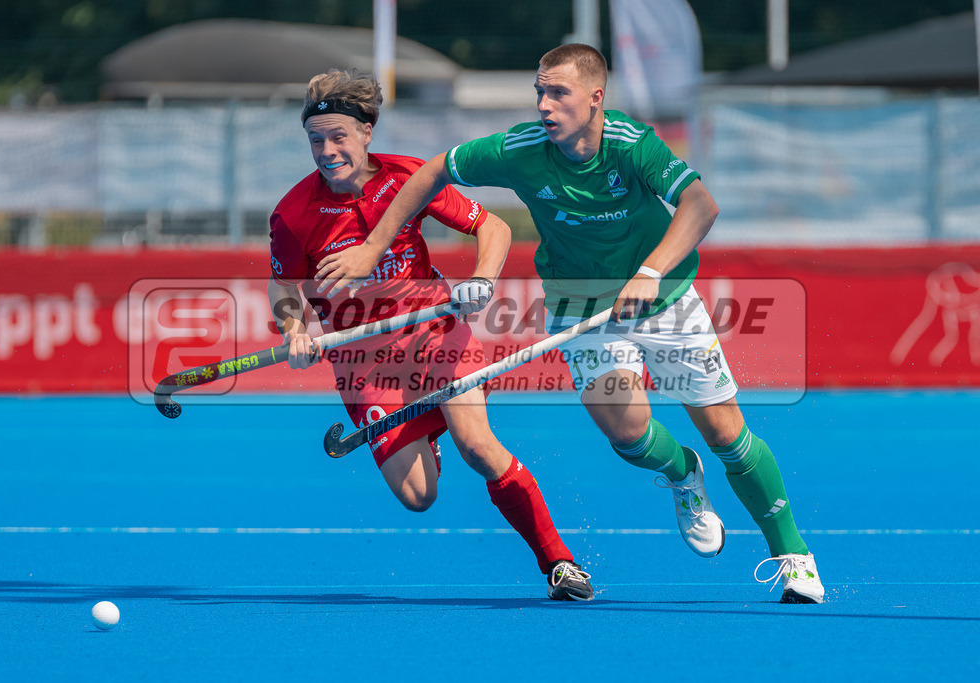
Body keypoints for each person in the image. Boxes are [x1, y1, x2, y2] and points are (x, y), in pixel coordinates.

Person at [315, 46, 825, 604]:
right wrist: (372, 247)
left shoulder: (632, 146)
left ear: (595, 98)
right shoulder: (522, 149)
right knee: (628, 433)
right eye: (539, 91)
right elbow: (435, 169)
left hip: (665, 300)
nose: (544, 104)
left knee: (726, 431)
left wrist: (652, 271)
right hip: (582, 306)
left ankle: (793, 556)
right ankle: (683, 472)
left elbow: (700, 205)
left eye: (557, 92)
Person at [266, 69, 594, 601]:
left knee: (480, 449)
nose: (327, 150)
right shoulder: (293, 214)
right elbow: (283, 287)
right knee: (418, 497)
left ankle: (559, 564)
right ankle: (428, 424)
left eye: (338, 137)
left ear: (367, 132)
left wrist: (482, 280)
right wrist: (295, 329)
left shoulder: (406, 178)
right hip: (361, 361)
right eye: (316, 139)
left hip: (434, 332)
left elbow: (495, 227)